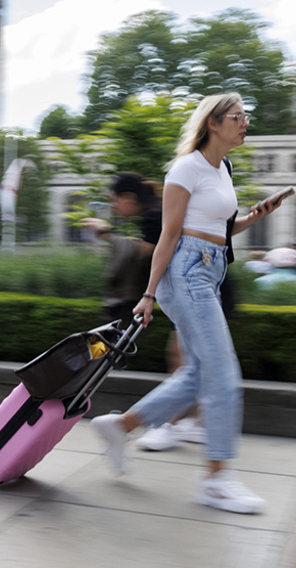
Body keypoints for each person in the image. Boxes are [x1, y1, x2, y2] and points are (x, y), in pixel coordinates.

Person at [89, 93, 285, 515]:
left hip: (211, 269)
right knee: (223, 375)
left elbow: (222, 228)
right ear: (213, 124)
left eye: (245, 117)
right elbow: (169, 236)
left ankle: (121, 426)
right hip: (187, 273)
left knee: (198, 373)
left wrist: (257, 215)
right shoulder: (186, 168)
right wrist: (148, 294)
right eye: (237, 117)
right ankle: (216, 479)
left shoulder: (222, 168)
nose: (245, 123)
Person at [84, 173, 207, 453]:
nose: (115, 208)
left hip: (197, 291)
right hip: (198, 289)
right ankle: (194, 422)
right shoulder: (157, 211)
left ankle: (167, 424)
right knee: (188, 359)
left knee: (187, 361)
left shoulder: (154, 216)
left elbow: (148, 253)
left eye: (115, 202)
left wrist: (106, 233)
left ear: (128, 198)